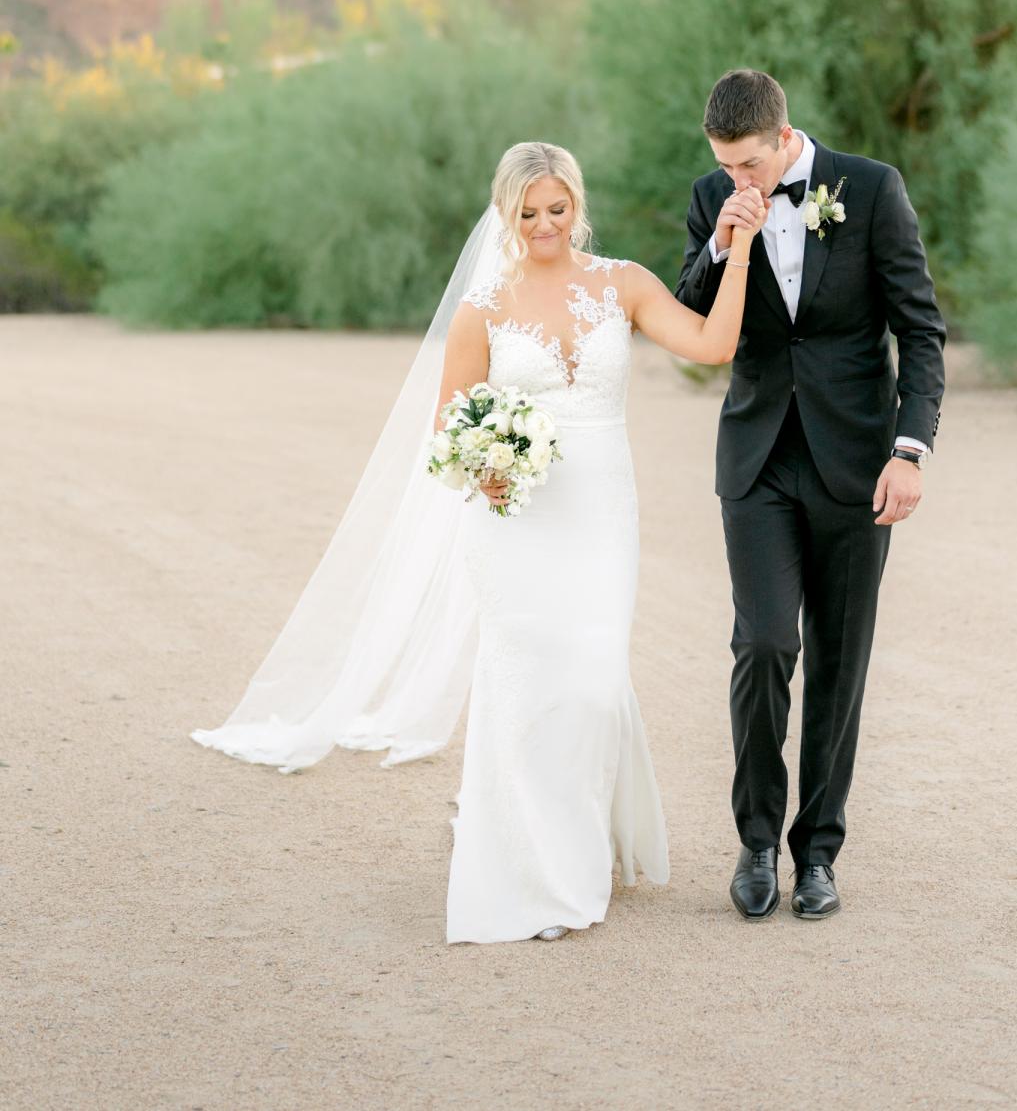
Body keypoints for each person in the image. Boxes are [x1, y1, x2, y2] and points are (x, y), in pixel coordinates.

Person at [193, 139, 767, 946]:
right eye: (528, 213)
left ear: (578, 206)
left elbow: (713, 346)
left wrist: (739, 252)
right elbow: (446, 432)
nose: (544, 225)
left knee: (595, 682)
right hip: (515, 522)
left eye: (557, 209)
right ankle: (539, 861)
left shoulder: (623, 285)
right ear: (506, 214)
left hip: (603, 513)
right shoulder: (483, 310)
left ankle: (585, 834)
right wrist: (485, 471)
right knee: (529, 683)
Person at [675, 70, 945, 921]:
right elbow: (689, 321)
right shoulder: (712, 198)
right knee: (762, 643)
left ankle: (817, 852)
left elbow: (920, 328)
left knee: (839, 657)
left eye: (751, 166)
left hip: (856, 463)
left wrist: (910, 450)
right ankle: (756, 841)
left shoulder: (870, 190)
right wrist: (723, 245)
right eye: (726, 167)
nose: (739, 182)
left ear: (785, 139)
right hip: (757, 461)